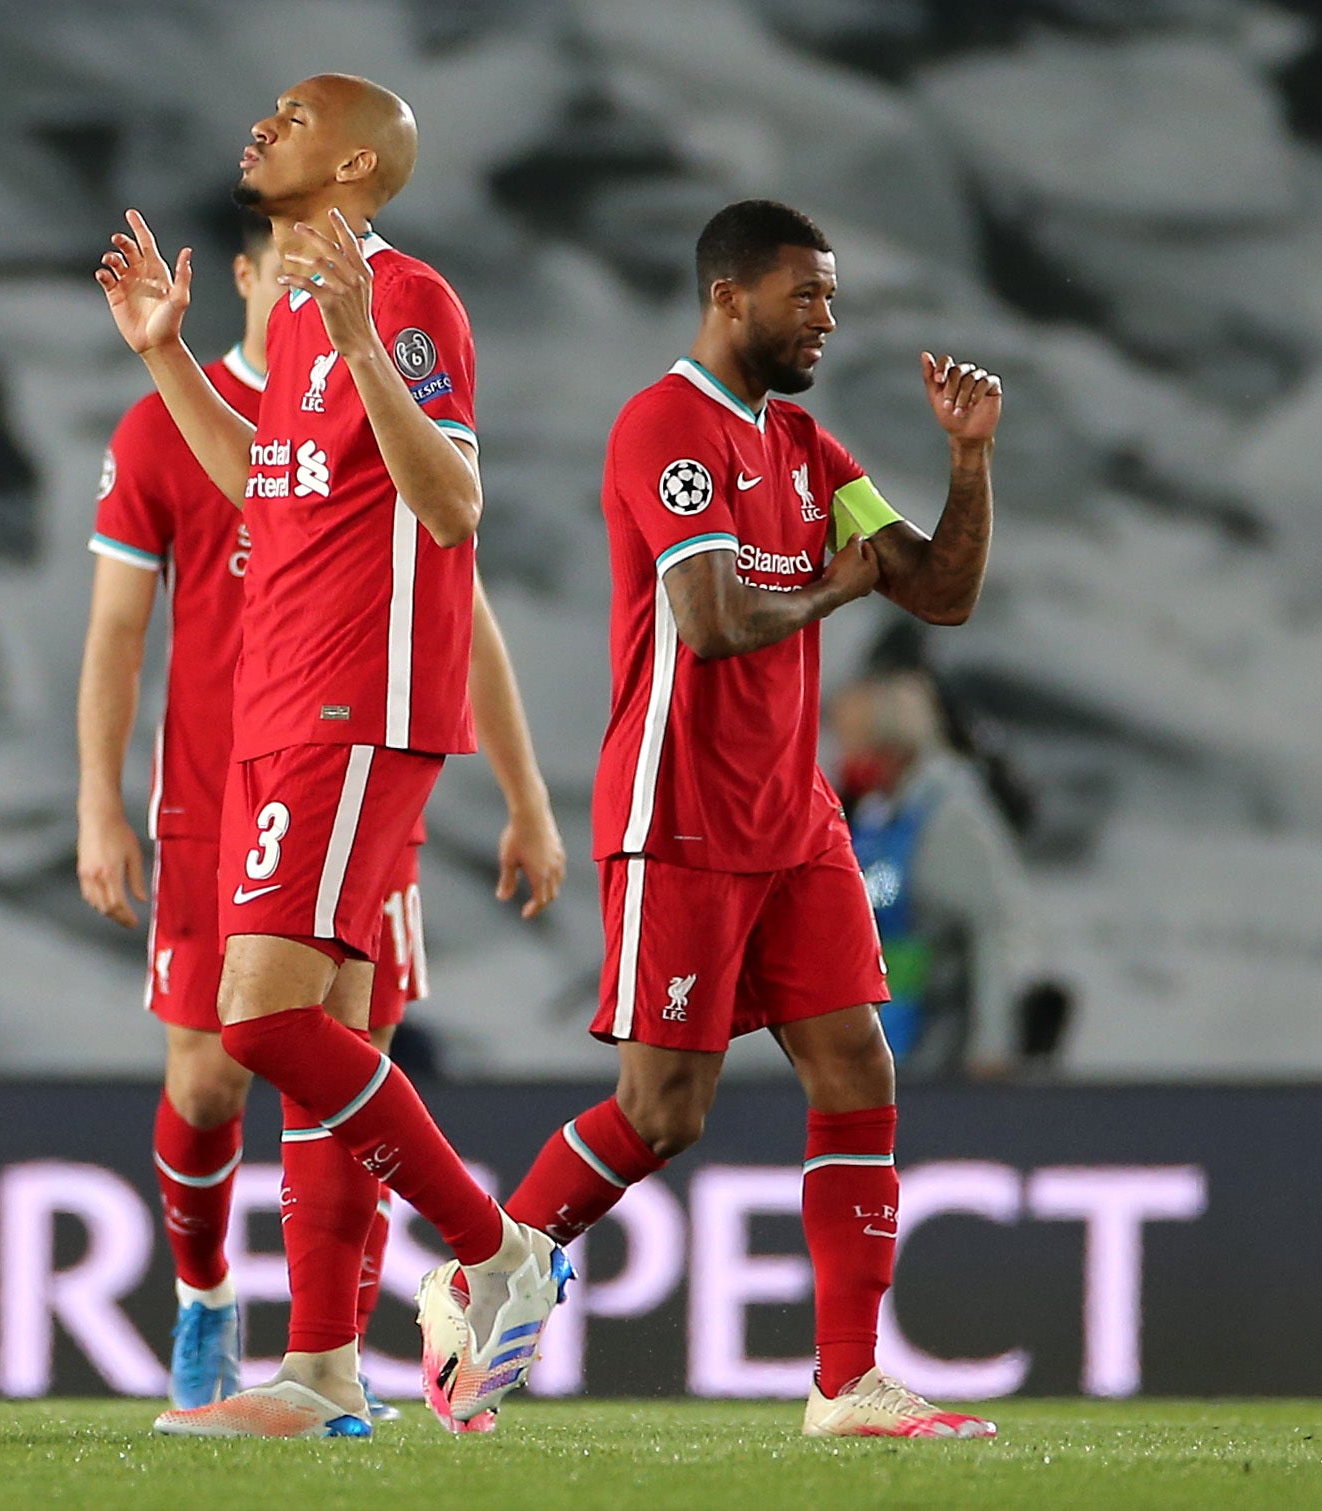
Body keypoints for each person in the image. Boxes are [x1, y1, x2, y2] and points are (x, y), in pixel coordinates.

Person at [95, 74, 571, 1438]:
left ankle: (497, 1248)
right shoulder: (299, 310)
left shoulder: (400, 299)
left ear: (354, 161)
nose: (261, 124)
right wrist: (166, 356)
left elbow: (456, 499)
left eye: (295, 115)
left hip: (352, 702)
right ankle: (320, 1371)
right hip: (280, 704)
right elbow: (272, 482)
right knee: (326, 1040)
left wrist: (368, 344)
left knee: (259, 1018)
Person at [497, 199, 1001, 1438]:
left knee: (857, 1063)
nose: (824, 318)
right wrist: (840, 578)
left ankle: (844, 1380)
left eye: (831, 297)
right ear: (728, 297)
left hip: (792, 817)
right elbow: (711, 621)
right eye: (804, 296)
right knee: (664, 1109)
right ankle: (489, 1265)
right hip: (680, 806)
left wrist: (969, 462)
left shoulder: (808, 448)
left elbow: (936, 592)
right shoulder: (665, 427)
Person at [828, 670, 1041, 1079]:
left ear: (888, 747)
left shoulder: (949, 816)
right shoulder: (879, 813)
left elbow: (996, 928)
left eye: (853, 744)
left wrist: (993, 1045)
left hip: (944, 1045)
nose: (843, 756)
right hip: (893, 1033)